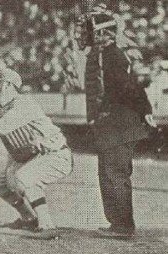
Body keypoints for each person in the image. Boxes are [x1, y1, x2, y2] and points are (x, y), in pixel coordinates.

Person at [0, 67, 73, 232]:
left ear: (7, 85)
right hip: (31, 159)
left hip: (56, 156)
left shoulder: (24, 103)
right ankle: (28, 217)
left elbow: (3, 127)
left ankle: (47, 225)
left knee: (24, 177)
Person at [78, 10, 156, 238]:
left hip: (119, 125)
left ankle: (123, 226)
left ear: (105, 33)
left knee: (114, 174)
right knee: (108, 173)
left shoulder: (110, 55)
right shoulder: (102, 54)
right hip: (112, 125)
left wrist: (145, 111)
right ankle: (118, 224)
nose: (85, 35)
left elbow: (129, 87)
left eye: (90, 30)